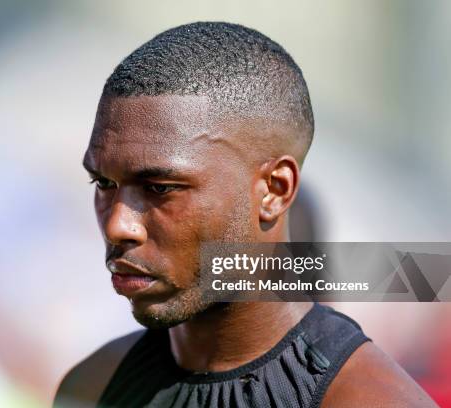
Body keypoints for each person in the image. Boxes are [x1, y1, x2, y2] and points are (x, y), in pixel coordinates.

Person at [54, 22, 435, 407]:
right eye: (103, 184)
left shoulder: (368, 399)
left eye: (161, 188)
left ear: (274, 190)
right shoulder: (92, 387)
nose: (118, 225)